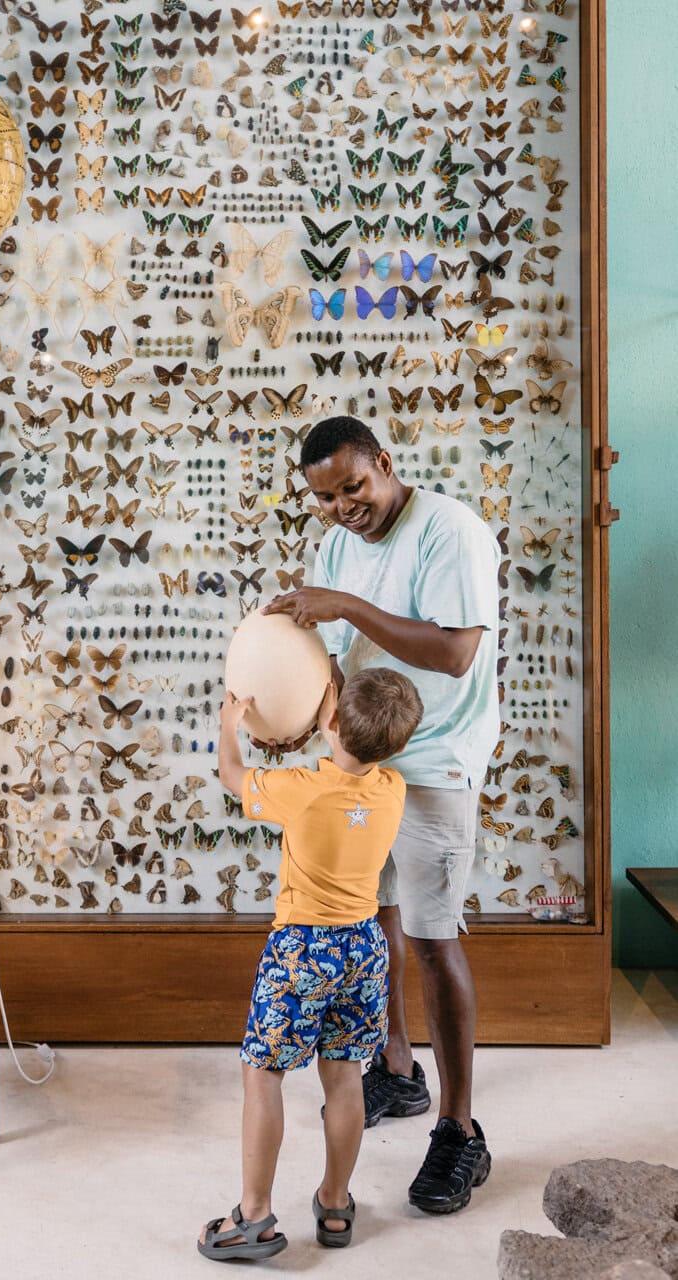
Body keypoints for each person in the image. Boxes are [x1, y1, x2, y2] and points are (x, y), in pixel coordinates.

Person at [263, 415, 500, 1216]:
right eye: (326, 498)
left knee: (433, 941)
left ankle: (460, 1132)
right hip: (366, 762)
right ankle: (396, 1071)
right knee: (374, 921)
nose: (342, 508)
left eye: (353, 487)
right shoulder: (335, 542)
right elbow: (335, 657)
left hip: (436, 763)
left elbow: (454, 652)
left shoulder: (449, 531)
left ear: (384, 464)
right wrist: (307, 712)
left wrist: (343, 602)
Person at [198, 667, 424, 1262]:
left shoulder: (299, 786)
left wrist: (230, 725)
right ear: (397, 745)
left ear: (329, 722)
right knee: (345, 1077)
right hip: (365, 946)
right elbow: (356, 744)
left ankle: (253, 1216)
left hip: (301, 948)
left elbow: (231, 775)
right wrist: (333, 707)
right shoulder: (392, 789)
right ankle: (334, 1200)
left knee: (264, 1074)